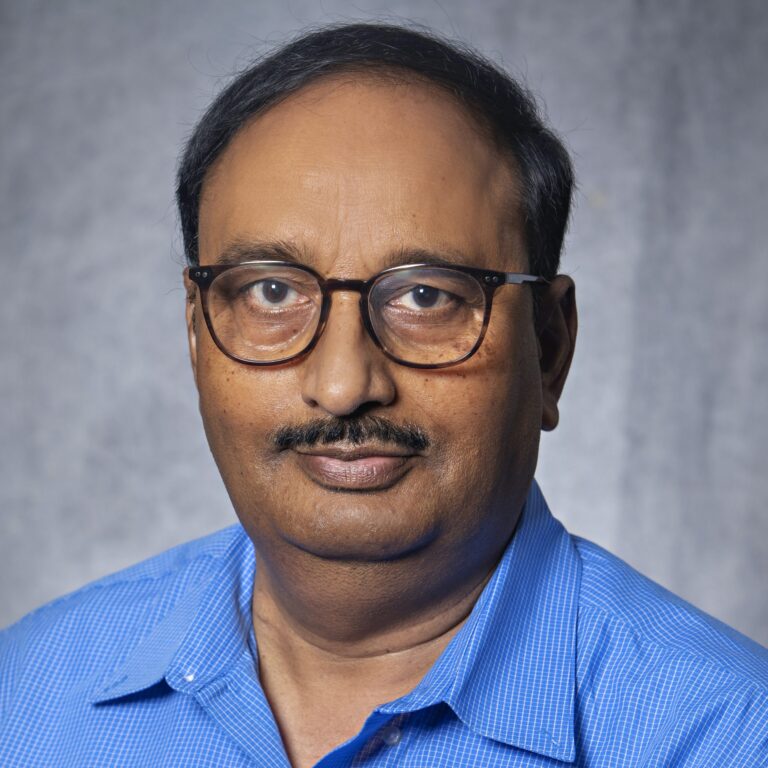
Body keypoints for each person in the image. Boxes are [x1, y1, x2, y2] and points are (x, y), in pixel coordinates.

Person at [1, 22, 766, 768]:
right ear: (197, 336)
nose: (343, 385)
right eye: (271, 291)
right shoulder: (25, 693)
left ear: (550, 348)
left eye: (427, 297)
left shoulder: (729, 735)